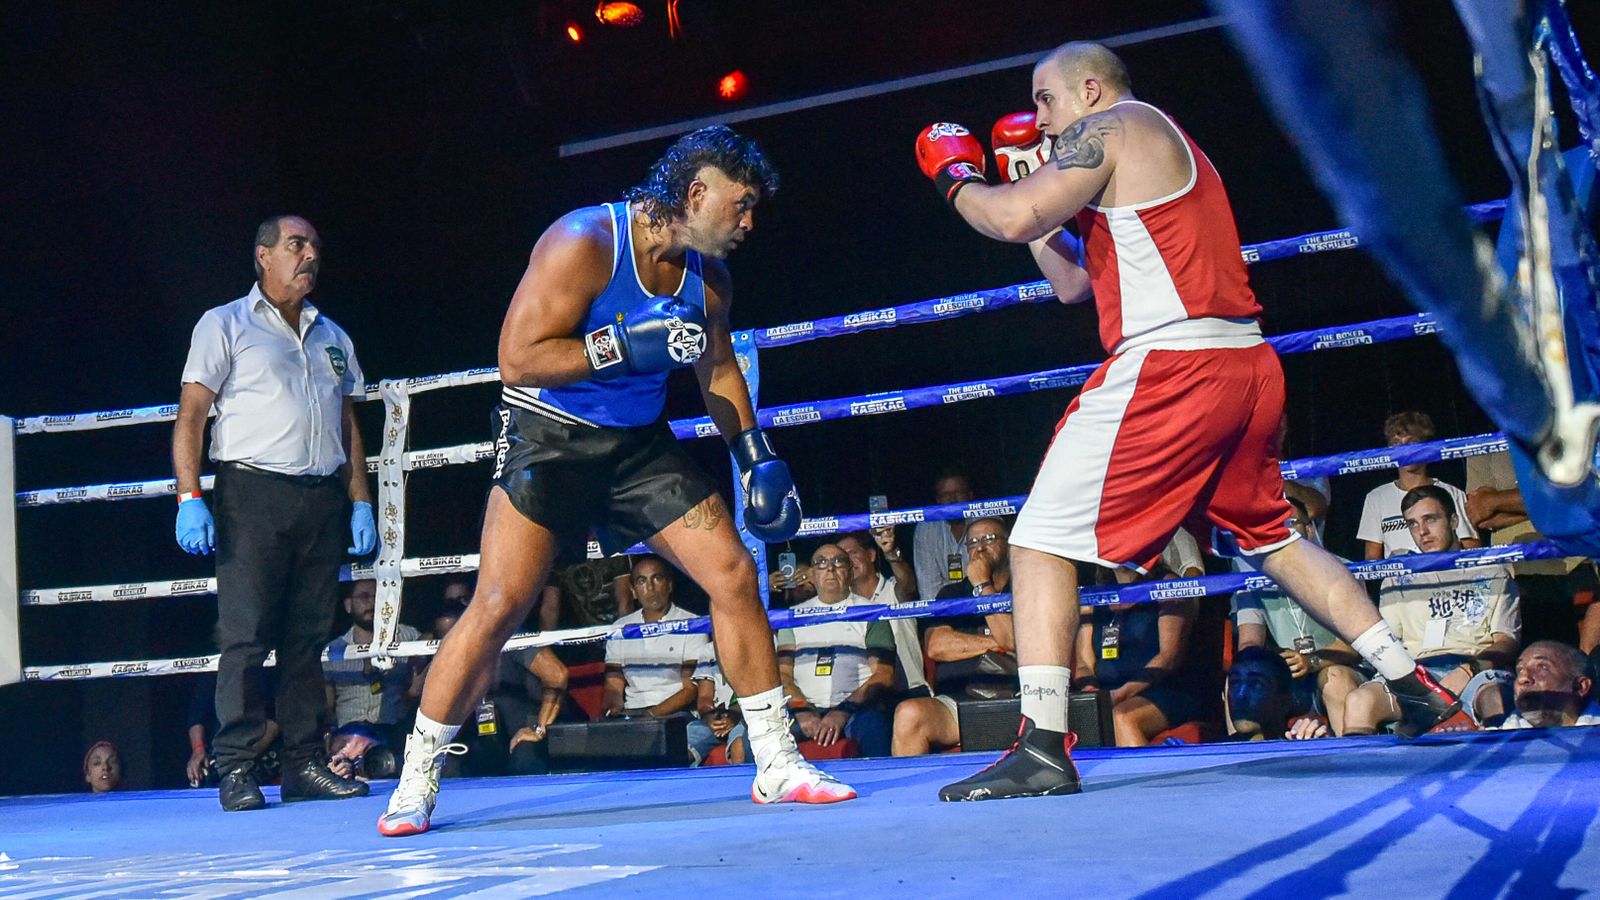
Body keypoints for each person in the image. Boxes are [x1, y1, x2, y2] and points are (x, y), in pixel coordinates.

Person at [916, 41, 1466, 801]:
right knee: (1273, 540)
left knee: (1037, 540)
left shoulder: (1114, 126)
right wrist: (1028, 192)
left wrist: (957, 175)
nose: (1038, 119)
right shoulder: (1144, 152)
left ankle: (1041, 745)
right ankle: (1412, 686)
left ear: (1089, 90)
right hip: (1242, 364)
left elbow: (1006, 219)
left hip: (1174, 364)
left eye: (1045, 99)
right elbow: (1073, 282)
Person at [379, 126, 853, 836]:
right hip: (549, 434)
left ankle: (778, 763)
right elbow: (517, 358)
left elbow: (717, 368)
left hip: (637, 445)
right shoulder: (585, 241)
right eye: (742, 203)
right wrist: (619, 345)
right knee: (500, 603)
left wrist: (755, 454)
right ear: (697, 193)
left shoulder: (709, 279)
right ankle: (415, 778)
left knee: (732, 571)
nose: (750, 222)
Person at [173, 215, 374, 812]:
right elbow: (191, 417)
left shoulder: (332, 334)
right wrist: (189, 497)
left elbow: (347, 425)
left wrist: (361, 501)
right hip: (253, 492)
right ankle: (235, 767)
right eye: (296, 245)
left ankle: (303, 763)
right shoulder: (225, 323)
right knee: (246, 634)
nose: (310, 254)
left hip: (320, 497)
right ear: (264, 255)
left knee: (307, 638)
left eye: (314, 246)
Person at [1342, 486, 1522, 735]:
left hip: (1474, 669)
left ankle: (1501, 760)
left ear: (1454, 520)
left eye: (1431, 519)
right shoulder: (1398, 576)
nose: (1422, 532)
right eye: (1413, 524)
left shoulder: (1491, 571)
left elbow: (1507, 640)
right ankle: (1363, 762)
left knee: (1495, 697)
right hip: (1414, 672)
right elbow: (1390, 643)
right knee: (1359, 701)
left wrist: (1467, 670)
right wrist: (1412, 682)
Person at [892, 517, 1018, 756]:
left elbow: (1012, 638)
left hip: (1015, 699)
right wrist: (997, 642)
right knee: (909, 714)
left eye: (989, 539)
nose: (980, 548)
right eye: (973, 542)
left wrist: (982, 585)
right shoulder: (952, 593)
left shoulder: (1023, 587)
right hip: (958, 703)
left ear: (1008, 543)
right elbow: (936, 646)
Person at [775, 544, 895, 756]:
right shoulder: (793, 616)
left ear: (850, 571)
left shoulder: (871, 612)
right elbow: (782, 675)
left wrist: (842, 712)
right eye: (821, 563)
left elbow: (883, 675)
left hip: (855, 709)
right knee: (759, 737)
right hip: (803, 707)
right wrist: (802, 710)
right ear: (812, 574)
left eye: (838, 562)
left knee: (874, 728)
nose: (830, 568)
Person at [1356, 411, 1480, 559]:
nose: (1404, 451)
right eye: (1396, 444)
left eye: (1411, 443)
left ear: (1426, 445)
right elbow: (1372, 559)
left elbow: (1472, 550)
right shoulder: (1376, 498)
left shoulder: (1452, 493)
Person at [323, 579, 427, 748]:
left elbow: (434, 645)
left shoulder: (408, 636)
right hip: (348, 735)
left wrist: (412, 693)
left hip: (394, 733)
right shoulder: (333, 650)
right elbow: (327, 705)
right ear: (348, 605)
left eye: (378, 597)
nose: (372, 603)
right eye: (364, 597)